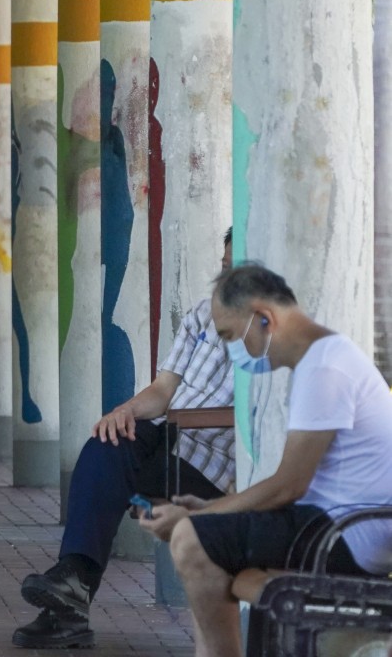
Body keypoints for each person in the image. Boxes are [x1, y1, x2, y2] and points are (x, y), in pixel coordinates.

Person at [139, 263, 392, 657]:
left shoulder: (325, 367)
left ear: (263, 317)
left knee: (192, 541)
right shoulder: (321, 359)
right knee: (204, 537)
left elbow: (290, 485)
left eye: (229, 336)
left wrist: (199, 518)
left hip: (344, 535)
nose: (231, 349)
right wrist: (211, 509)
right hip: (331, 524)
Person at [13, 229, 235, 649]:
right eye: (224, 269)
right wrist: (123, 412)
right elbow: (163, 391)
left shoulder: (270, 329)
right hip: (168, 438)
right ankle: (72, 581)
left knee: (111, 470)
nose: (228, 281)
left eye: (238, 271)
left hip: (212, 462)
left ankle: (70, 598)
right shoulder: (203, 314)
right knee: (106, 441)